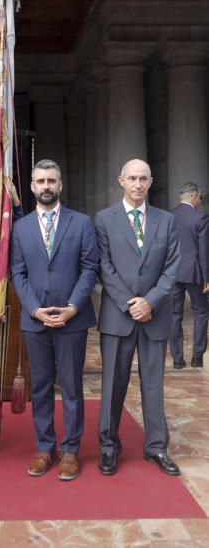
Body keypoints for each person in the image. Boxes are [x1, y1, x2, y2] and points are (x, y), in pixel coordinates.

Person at [10, 159, 99, 481]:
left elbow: (90, 268)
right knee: (42, 387)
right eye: (40, 181)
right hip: (36, 321)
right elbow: (17, 272)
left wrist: (73, 307)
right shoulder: (20, 228)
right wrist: (33, 308)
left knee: (73, 387)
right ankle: (45, 448)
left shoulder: (81, 223)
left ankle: (71, 449)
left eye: (51, 180)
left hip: (72, 320)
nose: (46, 186)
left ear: (60, 185)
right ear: (32, 187)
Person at [95, 158, 181, 477]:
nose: (137, 184)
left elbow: (172, 267)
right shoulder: (104, 219)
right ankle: (107, 446)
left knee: (154, 385)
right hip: (118, 316)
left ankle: (156, 446)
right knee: (112, 385)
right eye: (132, 178)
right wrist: (129, 303)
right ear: (121, 181)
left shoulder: (166, 220)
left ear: (151, 181)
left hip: (154, 316)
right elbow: (104, 266)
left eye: (143, 178)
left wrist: (150, 301)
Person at [170, 182, 209, 369]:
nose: (200, 201)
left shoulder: (168, 216)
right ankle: (197, 357)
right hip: (195, 272)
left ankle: (177, 360)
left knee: (174, 314)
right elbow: (204, 250)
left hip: (172, 273)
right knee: (201, 312)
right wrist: (207, 278)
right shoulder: (201, 217)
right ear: (193, 197)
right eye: (200, 197)